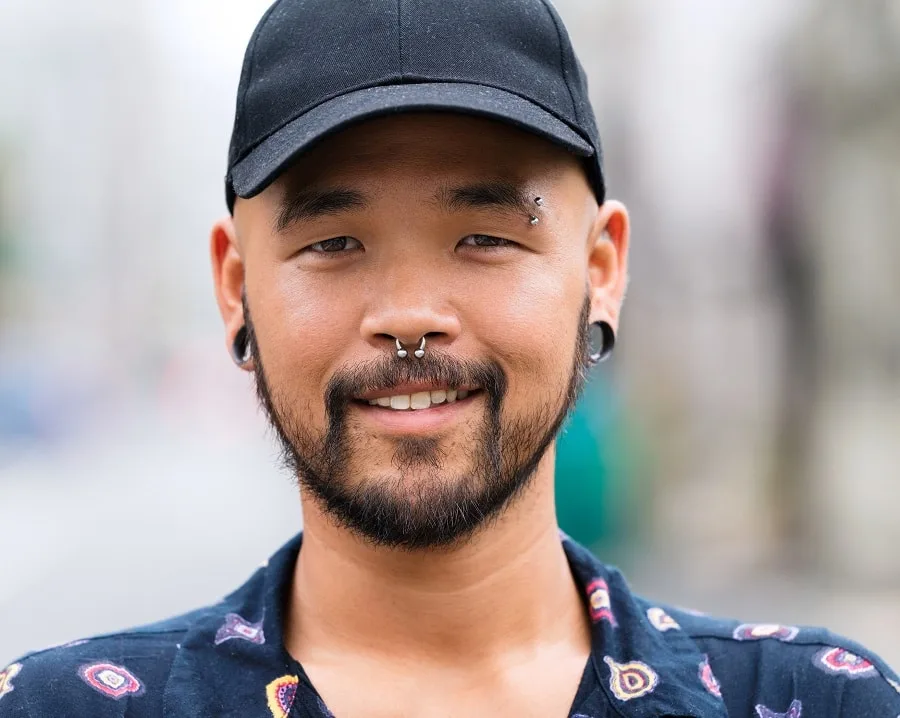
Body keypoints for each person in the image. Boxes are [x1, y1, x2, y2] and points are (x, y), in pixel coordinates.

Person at [1, 1, 898, 716]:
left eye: (483, 236)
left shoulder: (815, 700)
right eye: (334, 243)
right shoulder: (65, 709)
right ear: (236, 288)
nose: (409, 319)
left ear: (601, 270)